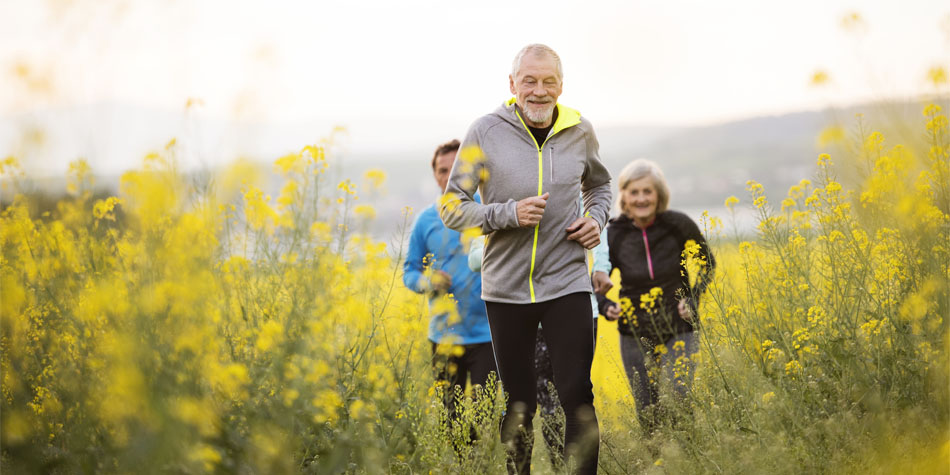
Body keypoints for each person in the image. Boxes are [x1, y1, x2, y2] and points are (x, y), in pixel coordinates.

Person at [440, 44, 611, 475]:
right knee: (519, 404)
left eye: (548, 81)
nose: (539, 90)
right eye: (529, 81)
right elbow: (452, 206)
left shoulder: (580, 130)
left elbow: (600, 186)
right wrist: (507, 214)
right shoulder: (484, 131)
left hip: (567, 281)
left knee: (577, 396)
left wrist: (595, 219)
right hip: (506, 288)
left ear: (561, 85)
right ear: (512, 84)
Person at [468, 224, 611, 470]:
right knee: (519, 404)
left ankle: (562, 468)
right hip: (512, 299)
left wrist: (600, 266)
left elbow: (597, 229)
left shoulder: (571, 199)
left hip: (566, 295)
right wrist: (515, 247)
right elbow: (474, 256)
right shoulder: (495, 203)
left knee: (575, 397)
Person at [600, 158, 715, 434]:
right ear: (624, 196)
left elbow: (707, 263)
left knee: (679, 399)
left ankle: (687, 454)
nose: (641, 198)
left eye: (647, 191)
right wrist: (605, 304)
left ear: (659, 194)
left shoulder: (678, 224)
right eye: (634, 192)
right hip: (634, 332)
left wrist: (693, 298)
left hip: (679, 327)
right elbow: (597, 278)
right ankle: (657, 456)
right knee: (647, 411)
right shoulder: (614, 233)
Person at [402, 139, 496, 440]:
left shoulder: (488, 211)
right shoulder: (425, 221)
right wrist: (428, 282)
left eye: (456, 168)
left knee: (483, 420)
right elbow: (409, 272)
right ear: (435, 176)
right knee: (450, 422)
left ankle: (477, 463)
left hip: (487, 335)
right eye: (443, 170)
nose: (449, 176)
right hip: (443, 337)